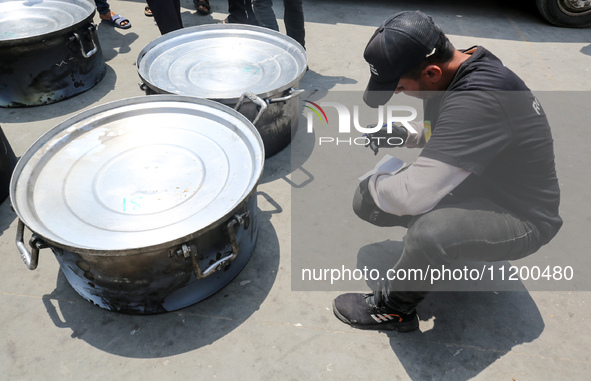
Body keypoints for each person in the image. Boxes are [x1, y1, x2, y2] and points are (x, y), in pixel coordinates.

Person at [332, 11, 562, 332]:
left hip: (522, 215)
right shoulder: (459, 67)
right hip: (480, 183)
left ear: (431, 71)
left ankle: (394, 309)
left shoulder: (480, 97)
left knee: (428, 230)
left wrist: (376, 182)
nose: (398, 94)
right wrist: (406, 132)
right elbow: (451, 132)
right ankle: (446, 245)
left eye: (399, 88)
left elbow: (412, 197)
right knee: (369, 202)